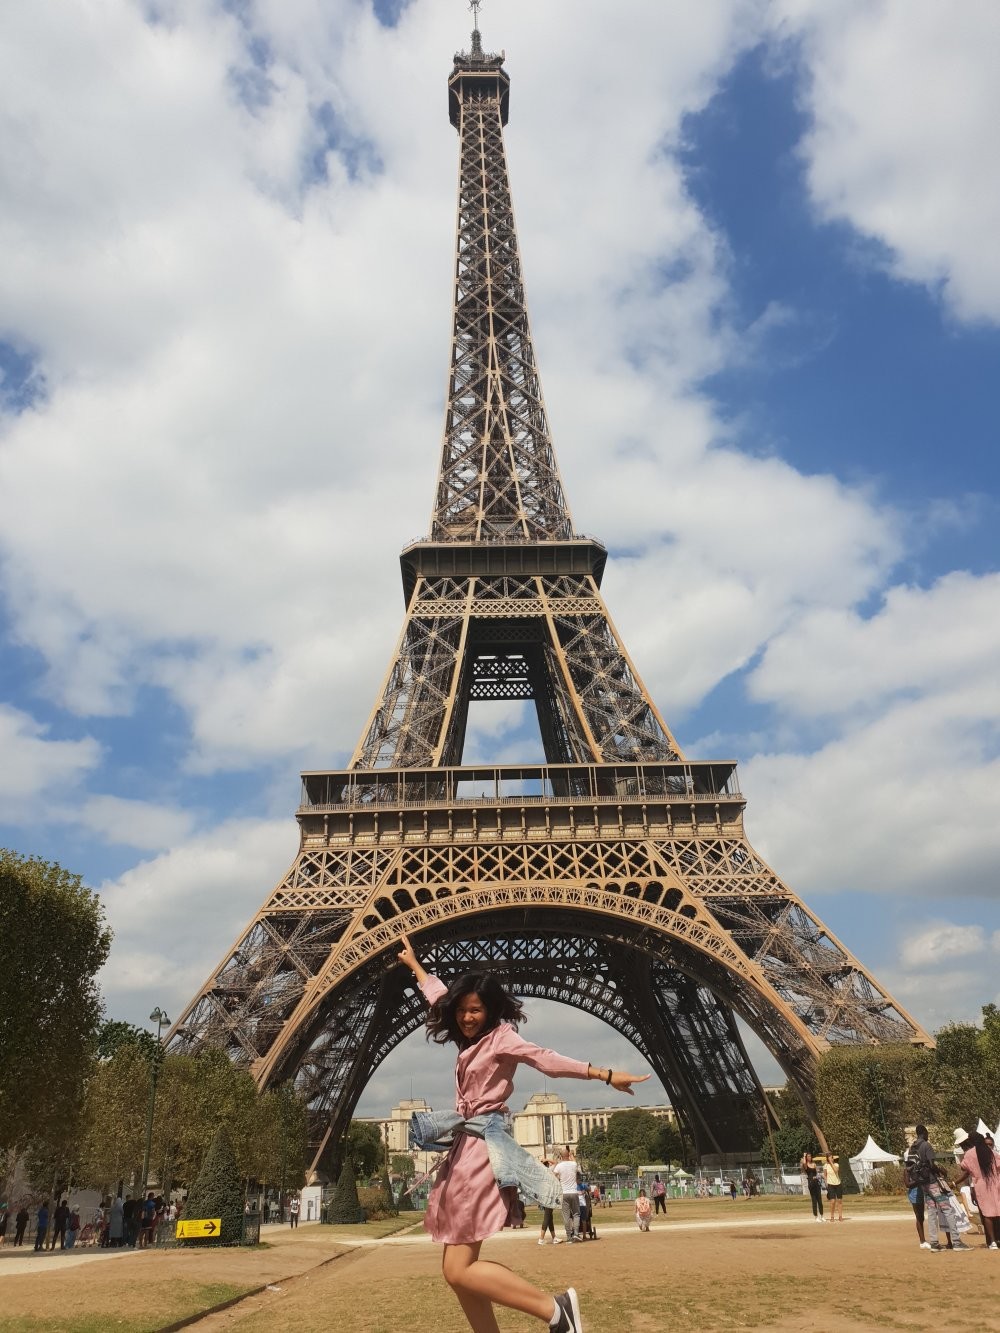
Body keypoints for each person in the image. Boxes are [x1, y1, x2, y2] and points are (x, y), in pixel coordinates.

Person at [398, 931, 649, 1333]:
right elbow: (441, 998)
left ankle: (555, 1309)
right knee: (455, 1271)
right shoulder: (470, 1038)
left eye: (475, 1010)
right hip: (466, 1146)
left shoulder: (501, 1038)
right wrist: (416, 967)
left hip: (480, 1150)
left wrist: (604, 1074)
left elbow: (544, 1059)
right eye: (462, 1010)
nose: (466, 1017)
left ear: (491, 1010)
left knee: (459, 1270)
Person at [906, 1125, 971, 1252]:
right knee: (947, 1209)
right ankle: (957, 1242)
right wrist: (940, 1171)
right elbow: (931, 1164)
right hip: (932, 1182)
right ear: (924, 1133)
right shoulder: (926, 1145)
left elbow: (909, 1167)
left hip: (923, 1184)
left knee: (931, 1212)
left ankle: (934, 1243)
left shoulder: (912, 1147)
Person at [955, 1131, 1000, 1250]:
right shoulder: (991, 1151)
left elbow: (963, 1167)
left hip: (981, 1186)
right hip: (995, 1184)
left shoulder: (969, 1154)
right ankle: (998, 1238)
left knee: (987, 1214)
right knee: (997, 1212)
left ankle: (992, 1242)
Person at [801, 1154, 823, 1222]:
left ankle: (822, 1216)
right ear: (806, 1158)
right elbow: (804, 1163)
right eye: (808, 1157)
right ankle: (816, 1217)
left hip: (816, 1182)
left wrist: (818, 1177)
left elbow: (817, 1173)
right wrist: (804, 1156)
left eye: (810, 1156)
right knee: (814, 1200)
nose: (809, 1157)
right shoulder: (806, 1165)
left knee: (819, 1200)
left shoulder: (814, 1164)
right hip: (811, 1183)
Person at [823, 1154, 844, 1222]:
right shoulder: (826, 1166)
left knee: (839, 1201)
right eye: (829, 1158)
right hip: (831, 1185)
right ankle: (832, 1216)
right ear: (827, 1159)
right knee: (832, 1201)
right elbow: (825, 1175)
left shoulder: (836, 1164)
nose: (831, 1159)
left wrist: (831, 1163)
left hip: (838, 1184)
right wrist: (826, 1183)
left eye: (832, 1158)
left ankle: (840, 1216)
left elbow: (836, 1170)